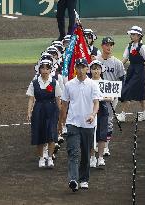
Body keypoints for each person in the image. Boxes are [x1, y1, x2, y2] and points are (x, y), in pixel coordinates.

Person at [58, 58, 100, 191]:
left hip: (88, 124)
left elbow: (96, 102)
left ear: (87, 69)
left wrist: (93, 114)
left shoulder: (93, 85)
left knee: (86, 153)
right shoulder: (69, 85)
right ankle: (73, 180)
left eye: (83, 67)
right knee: (73, 152)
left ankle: (84, 179)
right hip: (73, 123)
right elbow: (64, 105)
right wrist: (62, 122)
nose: (81, 70)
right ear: (75, 68)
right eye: (79, 67)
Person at [26, 59, 62, 168]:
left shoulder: (54, 82)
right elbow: (31, 99)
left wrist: (59, 114)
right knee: (39, 134)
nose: (45, 70)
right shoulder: (34, 83)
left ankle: (50, 158)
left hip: (51, 110)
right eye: (43, 68)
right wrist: (29, 112)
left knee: (51, 134)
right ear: (39, 69)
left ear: (51, 70)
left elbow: (58, 99)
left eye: (47, 68)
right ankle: (41, 158)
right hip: (38, 110)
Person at [118, 26, 145, 122]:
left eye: (133, 34)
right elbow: (125, 59)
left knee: (127, 90)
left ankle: (123, 114)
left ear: (139, 36)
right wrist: (117, 67)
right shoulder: (129, 46)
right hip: (131, 70)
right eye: (131, 34)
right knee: (140, 92)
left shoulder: (143, 47)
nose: (131, 36)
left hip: (139, 72)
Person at [97, 36, 126, 156]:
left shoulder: (117, 63)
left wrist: (119, 94)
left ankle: (106, 146)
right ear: (102, 46)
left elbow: (123, 79)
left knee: (108, 121)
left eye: (111, 45)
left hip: (111, 96)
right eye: (107, 44)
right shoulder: (95, 61)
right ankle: (96, 144)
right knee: (96, 120)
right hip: (96, 95)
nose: (109, 47)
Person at [89, 60, 111, 167]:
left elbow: (111, 97)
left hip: (102, 109)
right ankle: (92, 157)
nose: (96, 71)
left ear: (101, 70)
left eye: (98, 68)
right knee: (91, 134)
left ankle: (100, 157)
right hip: (90, 110)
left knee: (102, 134)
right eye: (94, 69)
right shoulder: (88, 83)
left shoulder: (105, 83)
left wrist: (101, 98)